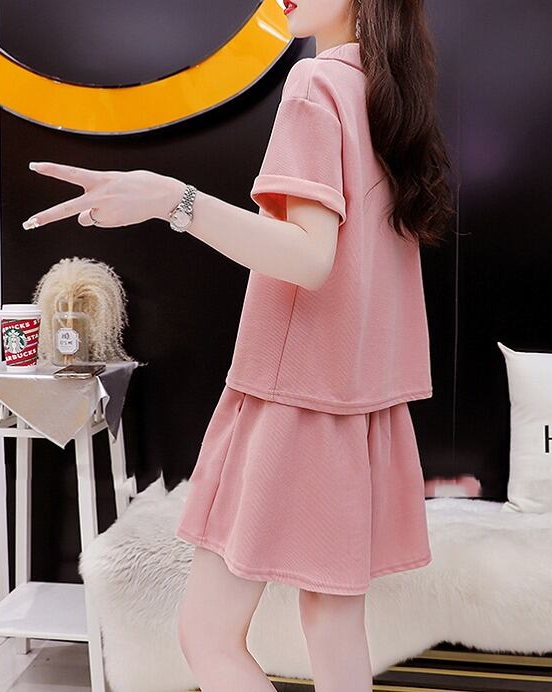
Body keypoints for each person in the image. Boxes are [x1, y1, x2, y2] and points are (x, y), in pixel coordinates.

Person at [23, 0, 455, 689]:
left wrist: (173, 200)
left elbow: (309, 257)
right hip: (359, 407)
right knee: (334, 628)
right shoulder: (383, 95)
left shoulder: (317, 84)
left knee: (208, 637)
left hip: (293, 403)